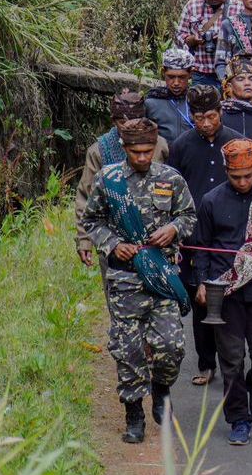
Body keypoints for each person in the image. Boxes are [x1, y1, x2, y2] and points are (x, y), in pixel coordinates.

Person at [79, 118, 198, 443]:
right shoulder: (110, 179)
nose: (143, 158)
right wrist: (114, 245)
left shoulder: (170, 178)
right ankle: (134, 415)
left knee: (171, 347)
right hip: (125, 278)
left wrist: (173, 229)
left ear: (155, 146)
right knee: (128, 350)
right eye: (136, 152)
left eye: (147, 151)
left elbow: (188, 215)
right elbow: (92, 220)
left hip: (161, 275)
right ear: (126, 149)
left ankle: (161, 391)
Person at [190, 138, 252, 446]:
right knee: (231, 360)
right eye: (236, 177)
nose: (243, 182)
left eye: (248, 175)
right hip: (225, 292)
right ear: (226, 172)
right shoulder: (211, 200)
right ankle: (238, 418)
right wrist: (203, 282)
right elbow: (202, 247)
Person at [167, 85, 239, 388]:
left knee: (233, 300)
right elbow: (170, 188)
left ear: (220, 112)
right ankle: (206, 363)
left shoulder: (236, 141)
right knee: (200, 300)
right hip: (195, 235)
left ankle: (234, 362)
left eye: (211, 116)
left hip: (230, 232)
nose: (206, 123)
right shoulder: (181, 145)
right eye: (199, 117)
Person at [74, 90, 169, 267]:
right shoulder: (99, 151)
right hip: (114, 237)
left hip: (156, 236)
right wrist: (85, 239)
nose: (128, 126)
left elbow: (175, 189)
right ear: (113, 120)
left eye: (135, 120)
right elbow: (86, 197)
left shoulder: (160, 145)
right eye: (122, 122)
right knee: (117, 289)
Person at [176, 0, 232, 89]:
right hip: (200, 72)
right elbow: (180, 35)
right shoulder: (192, 6)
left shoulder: (238, 8)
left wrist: (223, 40)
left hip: (230, 74)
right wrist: (192, 40)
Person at [144, 48, 196, 145]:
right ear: (163, 72)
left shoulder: (196, 100)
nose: (176, 83)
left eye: (182, 77)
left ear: (190, 74)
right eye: (171, 77)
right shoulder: (151, 103)